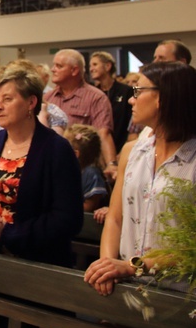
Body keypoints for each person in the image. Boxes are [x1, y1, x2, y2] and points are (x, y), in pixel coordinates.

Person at [84, 62, 196, 296]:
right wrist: (107, 265)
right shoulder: (133, 151)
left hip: (180, 293)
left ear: (163, 98)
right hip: (127, 285)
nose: (131, 100)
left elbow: (191, 247)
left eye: (138, 91)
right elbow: (115, 217)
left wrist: (132, 266)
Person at [0, 61, 84, 267]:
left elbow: (67, 218)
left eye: (7, 99)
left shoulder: (56, 148)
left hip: (39, 261)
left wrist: (9, 234)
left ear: (31, 103)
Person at [44, 49, 117, 179]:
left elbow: (103, 133)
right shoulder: (48, 98)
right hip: (52, 168)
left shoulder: (96, 97)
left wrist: (111, 164)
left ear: (74, 70)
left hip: (83, 171)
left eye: (59, 66)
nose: (52, 69)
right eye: (54, 65)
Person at [89, 51, 135, 152]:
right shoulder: (92, 94)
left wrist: (125, 150)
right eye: (90, 66)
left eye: (95, 64)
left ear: (107, 66)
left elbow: (131, 123)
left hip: (122, 146)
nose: (91, 69)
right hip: (98, 149)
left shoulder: (126, 91)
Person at [64, 124, 109, 212]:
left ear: (75, 154)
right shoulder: (67, 171)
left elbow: (90, 206)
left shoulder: (91, 173)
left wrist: (64, 210)